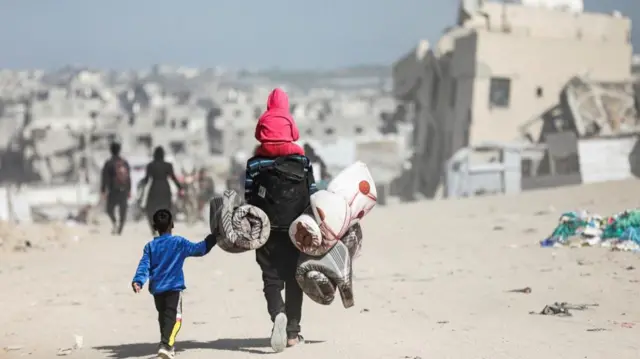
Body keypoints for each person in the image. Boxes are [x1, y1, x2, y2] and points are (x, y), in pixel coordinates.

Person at [243, 92, 318, 351]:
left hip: (266, 229)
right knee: (296, 278)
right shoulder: (303, 162)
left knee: (271, 277)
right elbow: (313, 196)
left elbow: (248, 196)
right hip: (297, 229)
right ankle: (293, 333)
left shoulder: (255, 164)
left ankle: (278, 314)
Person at [131, 209, 217, 359]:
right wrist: (213, 238)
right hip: (173, 288)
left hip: (157, 289)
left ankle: (166, 344)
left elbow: (144, 266)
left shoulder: (150, 247)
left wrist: (138, 281)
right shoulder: (178, 242)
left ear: (155, 227)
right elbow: (199, 249)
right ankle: (166, 345)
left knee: (163, 316)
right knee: (175, 318)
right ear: (172, 224)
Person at [140, 146, 182, 234]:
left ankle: (153, 228)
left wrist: (141, 184)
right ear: (163, 155)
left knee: (150, 209)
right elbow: (173, 178)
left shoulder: (150, 165)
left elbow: (147, 179)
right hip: (165, 189)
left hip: (154, 188)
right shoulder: (168, 165)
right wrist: (180, 187)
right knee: (166, 210)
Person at [254, 88, 305, 157]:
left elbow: (257, 136)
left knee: (257, 151)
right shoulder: (288, 116)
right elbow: (296, 137)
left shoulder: (264, 116)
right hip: (285, 148)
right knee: (301, 151)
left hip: (267, 149)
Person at [100, 142, 131, 235]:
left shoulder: (108, 163)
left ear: (111, 151)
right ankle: (120, 228)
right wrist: (129, 190)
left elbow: (104, 177)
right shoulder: (124, 163)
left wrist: (103, 190)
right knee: (123, 210)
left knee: (109, 209)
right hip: (124, 190)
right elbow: (129, 177)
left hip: (113, 190)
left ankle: (114, 223)